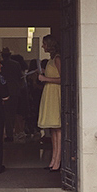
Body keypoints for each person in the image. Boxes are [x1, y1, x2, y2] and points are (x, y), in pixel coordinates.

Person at [37, 35, 62, 171]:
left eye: (44, 44)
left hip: (55, 93)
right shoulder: (51, 60)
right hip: (49, 93)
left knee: (58, 128)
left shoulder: (57, 58)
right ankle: (53, 160)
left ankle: (57, 161)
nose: (42, 46)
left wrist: (45, 78)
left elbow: (63, 78)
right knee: (53, 129)